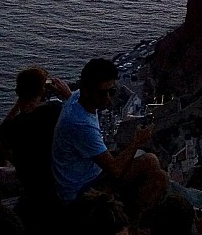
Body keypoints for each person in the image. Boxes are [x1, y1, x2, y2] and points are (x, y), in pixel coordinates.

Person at [52, 58, 166, 222]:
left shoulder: (77, 98)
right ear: (86, 90)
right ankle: (129, 223)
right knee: (157, 172)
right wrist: (137, 141)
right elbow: (115, 171)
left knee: (150, 162)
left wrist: (67, 94)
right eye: (102, 92)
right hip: (79, 194)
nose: (107, 98)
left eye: (111, 91)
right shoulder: (81, 124)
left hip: (81, 176)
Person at [0, 67, 69, 213]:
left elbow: (4, 131)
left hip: (29, 183)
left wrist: (19, 102)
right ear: (43, 91)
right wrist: (66, 94)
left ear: (18, 92)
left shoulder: (15, 125)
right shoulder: (54, 112)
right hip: (51, 173)